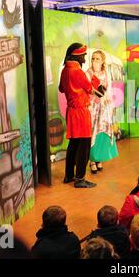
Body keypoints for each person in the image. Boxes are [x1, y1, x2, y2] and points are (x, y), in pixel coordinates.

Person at [59, 43, 99, 188]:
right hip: (81, 112)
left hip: (71, 111)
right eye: (83, 55)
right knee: (84, 146)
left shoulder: (65, 71)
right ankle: (80, 178)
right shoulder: (78, 72)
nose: (85, 57)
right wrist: (95, 78)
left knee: (73, 144)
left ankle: (68, 175)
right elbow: (91, 89)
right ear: (77, 56)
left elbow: (61, 88)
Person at [86, 50, 118, 173]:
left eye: (97, 59)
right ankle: (92, 161)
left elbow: (109, 89)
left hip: (103, 108)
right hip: (92, 107)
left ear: (102, 61)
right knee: (92, 131)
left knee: (102, 132)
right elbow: (87, 89)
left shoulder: (106, 73)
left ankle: (98, 158)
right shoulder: (88, 73)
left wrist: (108, 101)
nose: (94, 61)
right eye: (93, 58)